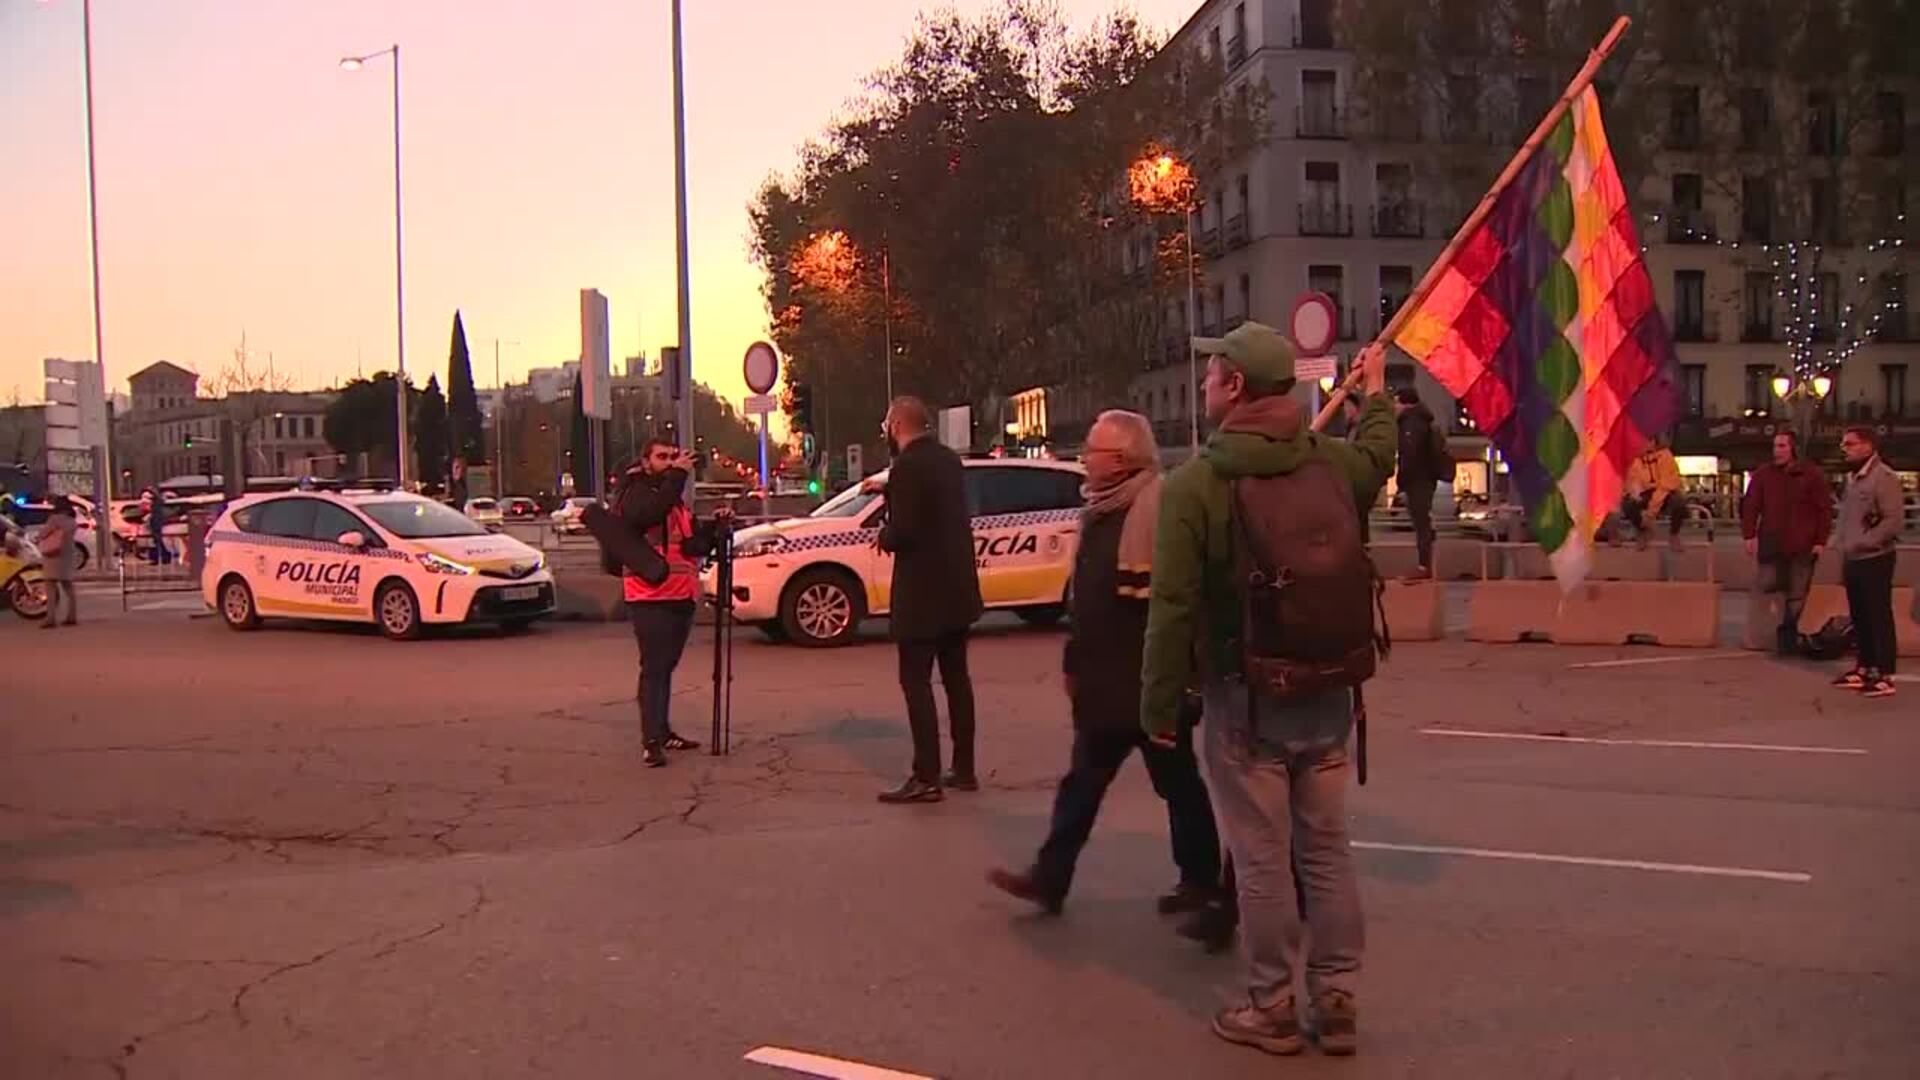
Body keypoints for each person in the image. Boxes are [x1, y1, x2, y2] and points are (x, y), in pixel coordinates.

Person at [1141, 321, 1395, 1058]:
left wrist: (1158, 708)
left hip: (1244, 696)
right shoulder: (1333, 465)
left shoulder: (1197, 485)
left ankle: (1274, 1006)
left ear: (1237, 388)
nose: (1204, 382)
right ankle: (1337, 997)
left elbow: (1172, 608)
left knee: (1260, 858)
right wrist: (1374, 394)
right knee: (1326, 850)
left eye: (1213, 372)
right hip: (1329, 689)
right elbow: (1379, 456)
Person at [987, 410, 1222, 916]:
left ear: (1121, 460)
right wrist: (1075, 659)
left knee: (1177, 784)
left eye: (1094, 450)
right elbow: (1087, 603)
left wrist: (1180, 683)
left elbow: (1178, 603)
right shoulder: (1098, 511)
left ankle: (1203, 882)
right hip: (1105, 683)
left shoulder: (1159, 509)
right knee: (1090, 783)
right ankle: (1052, 879)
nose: (1085, 459)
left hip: (1151, 683)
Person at [870, 396, 983, 804]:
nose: (885, 431)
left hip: (922, 595)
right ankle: (964, 768)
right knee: (957, 680)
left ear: (899, 424)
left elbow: (904, 531)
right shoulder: (948, 461)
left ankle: (926, 776)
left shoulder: (906, 468)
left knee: (915, 682)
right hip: (958, 590)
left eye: (886, 423)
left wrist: (883, 534)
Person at [614, 438, 728, 767]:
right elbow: (647, 514)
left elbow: (689, 545)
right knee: (654, 667)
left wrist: (714, 529)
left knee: (666, 667)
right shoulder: (636, 491)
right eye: (662, 457)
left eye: (673, 457)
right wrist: (677, 475)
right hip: (648, 596)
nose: (669, 462)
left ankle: (663, 732)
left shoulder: (674, 501)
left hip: (680, 593)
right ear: (646, 461)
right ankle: (651, 741)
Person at [1740, 431, 1833, 656]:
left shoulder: (1811, 475)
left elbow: (1824, 510)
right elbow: (1751, 505)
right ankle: (1765, 632)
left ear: (1793, 449)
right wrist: (1749, 535)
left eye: (1782, 446)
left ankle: (1788, 636)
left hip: (1803, 544)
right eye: (1775, 446)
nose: (1777, 451)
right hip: (1772, 542)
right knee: (1767, 585)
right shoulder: (1763, 475)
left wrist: (1821, 540)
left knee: (1797, 593)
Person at [1831, 426, 1902, 699]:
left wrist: (1865, 541)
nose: (1845, 448)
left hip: (1875, 556)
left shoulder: (1883, 478)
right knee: (1860, 614)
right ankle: (1865, 666)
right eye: (1844, 443)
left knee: (1878, 614)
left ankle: (1884, 673)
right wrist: (1841, 542)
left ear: (1868, 446)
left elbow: (1892, 521)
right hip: (1853, 556)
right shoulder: (1853, 478)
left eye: (1851, 443)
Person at [1392, 388, 1447, 580]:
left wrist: (1402, 483)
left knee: (1421, 522)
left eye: (1396, 402)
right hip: (1426, 478)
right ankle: (1426, 562)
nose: (1394, 407)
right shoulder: (1423, 421)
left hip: (1418, 480)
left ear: (1406, 404)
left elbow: (1409, 456)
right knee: (1423, 523)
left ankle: (1424, 566)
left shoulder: (1411, 425)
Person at [1621, 438, 1687, 551]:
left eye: (1648, 440)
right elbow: (1632, 483)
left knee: (1679, 502)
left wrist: (1650, 513)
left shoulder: (1665, 456)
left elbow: (1666, 486)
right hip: (1646, 493)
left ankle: (1674, 534)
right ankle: (1642, 531)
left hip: (1666, 492)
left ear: (1654, 442)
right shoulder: (1633, 459)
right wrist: (1634, 494)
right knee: (1628, 503)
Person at [35, 495, 79, 629]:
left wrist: (38, 537)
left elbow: (43, 533)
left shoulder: (54, 519)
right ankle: (72, 615)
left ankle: (51, 617)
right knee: (68, 586)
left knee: (50, 587)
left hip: (52, 555)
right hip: (67, 553)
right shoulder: (72, 521)